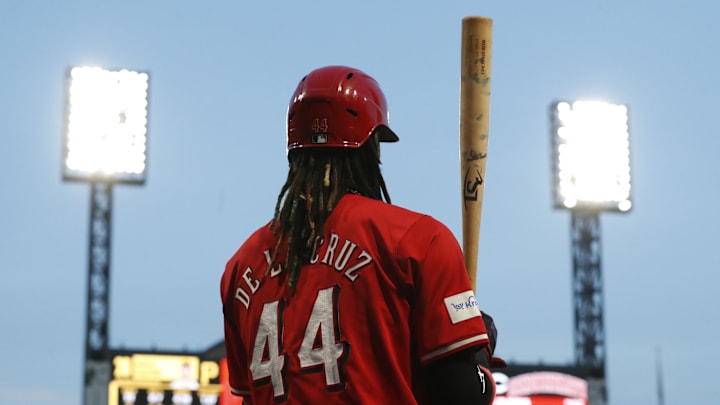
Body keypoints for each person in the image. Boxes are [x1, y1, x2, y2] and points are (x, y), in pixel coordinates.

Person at [220, 65, 504, 405]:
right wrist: (478, 350)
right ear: (369, 146)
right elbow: (468, 396)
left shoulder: (241, 269)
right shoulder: (417, 239)